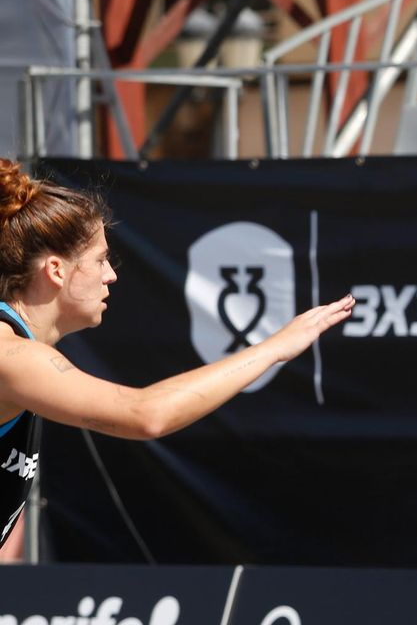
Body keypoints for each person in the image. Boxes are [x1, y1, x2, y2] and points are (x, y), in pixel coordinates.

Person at [0, 159, 353, 548]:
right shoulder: (12, 355)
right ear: (56, 270)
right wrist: (274, 348)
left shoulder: (18, 351)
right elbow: (146, 414)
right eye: (100, 260)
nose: (111, 275)